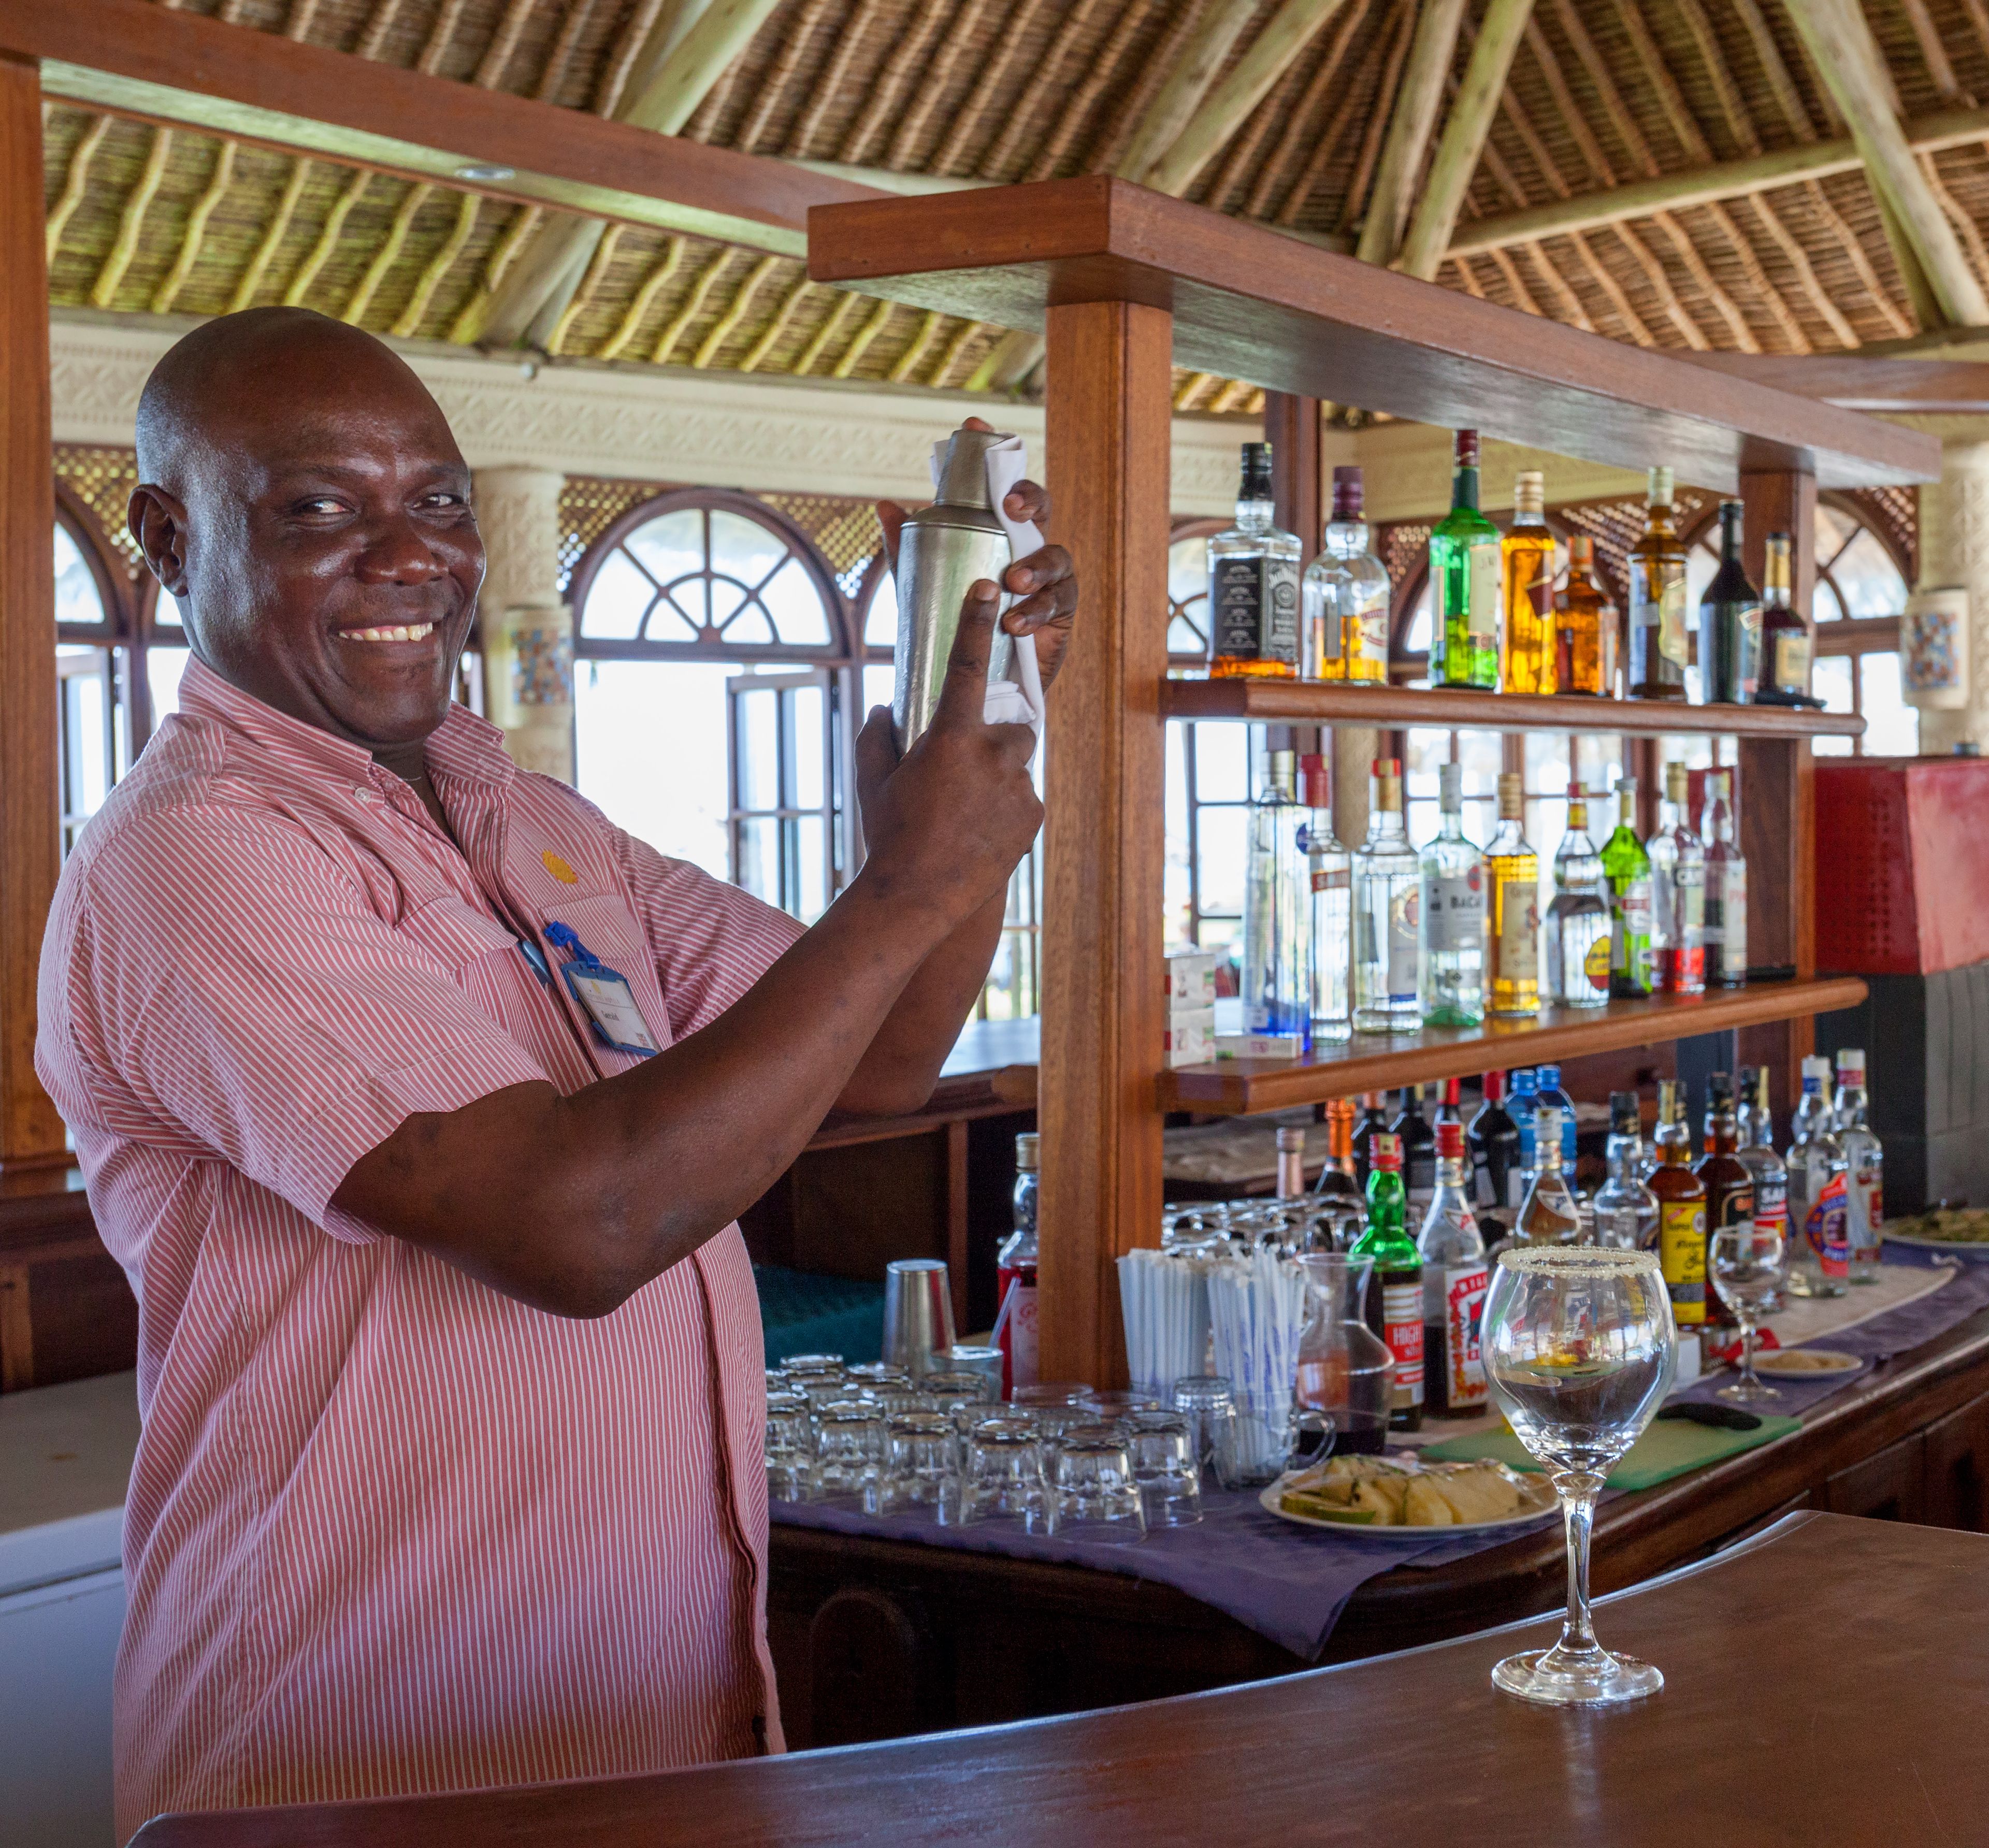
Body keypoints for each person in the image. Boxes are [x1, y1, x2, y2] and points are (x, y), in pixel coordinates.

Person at [33, 307, 1076, 1838]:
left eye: (440, 502)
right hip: (367, 1746)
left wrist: (978, 738)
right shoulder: (195, 860)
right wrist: (907, 885)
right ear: (169, 540)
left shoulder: (533, 820)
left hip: (644, 1716)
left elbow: (882, 1058)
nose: (409, 555)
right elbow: (571, 1228)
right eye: (320, 509)